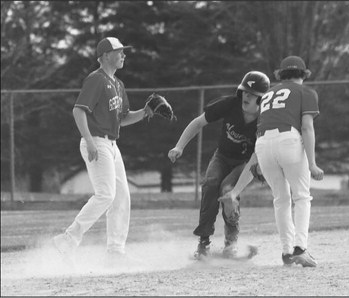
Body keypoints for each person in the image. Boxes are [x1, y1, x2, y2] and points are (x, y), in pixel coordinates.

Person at [52, 37, 153, 264]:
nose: (123, 55)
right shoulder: (96, 80)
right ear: (106, 55)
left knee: (122, 197)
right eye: (119, 51)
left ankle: (116, 250)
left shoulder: (118, 84)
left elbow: (123, 118)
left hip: (112, 145)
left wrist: (146, 111)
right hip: (97, 141)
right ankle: (68, 239)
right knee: (106, 194)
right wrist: (89, 140)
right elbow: (79, 111)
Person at [223, 56, 324, 267]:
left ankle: (287, 252)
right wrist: (312, 163)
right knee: (302, 197)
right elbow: (306, 127)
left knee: (281, 199)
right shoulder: (306, 92)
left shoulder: (268, 94)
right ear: (303, 75)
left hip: (262, 144)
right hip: (288, 140)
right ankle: (300, 249)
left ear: (281, 74)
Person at [168, 71, 270, 259]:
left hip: (245, 162)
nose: (246, 96)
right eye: (245, 91)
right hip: (222, 156)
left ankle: (231, 244)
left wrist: (235, 191)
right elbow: (198, 123)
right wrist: (179, 146)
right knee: (210, 183)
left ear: (261, 99)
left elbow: (256, 157)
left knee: (228, 189)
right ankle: (203, 243)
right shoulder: (230, 104)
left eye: (252, 94)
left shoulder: (264, 120)